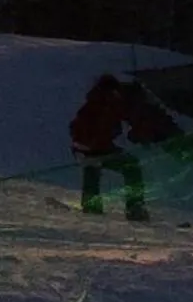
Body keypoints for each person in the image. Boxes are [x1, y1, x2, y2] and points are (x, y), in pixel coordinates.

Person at [69, 74, 176, 218]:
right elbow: (106, 128)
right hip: (96, 148)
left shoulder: (92, 103)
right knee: (130, 166)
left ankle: (91, 205)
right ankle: (134, 206)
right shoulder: (107, 103)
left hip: (88, 148)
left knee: (93, 168)